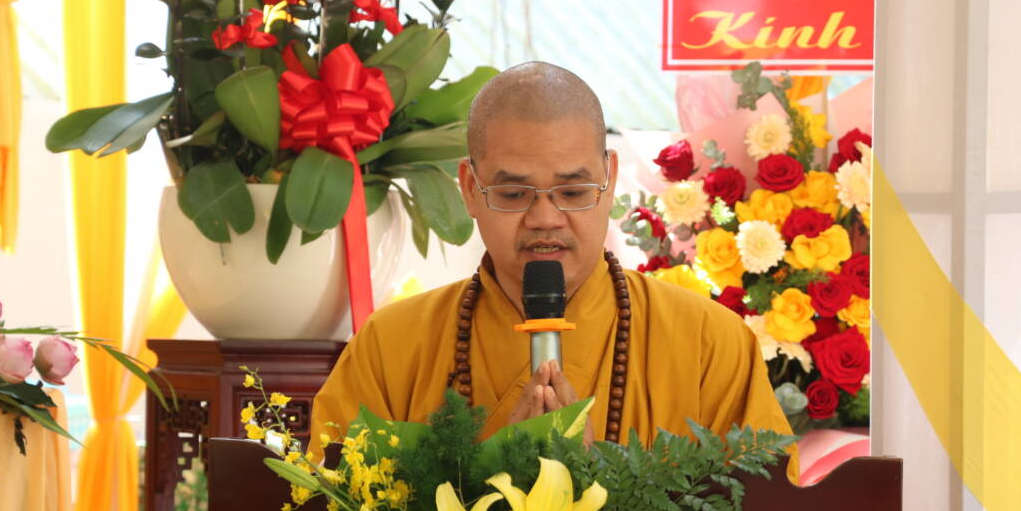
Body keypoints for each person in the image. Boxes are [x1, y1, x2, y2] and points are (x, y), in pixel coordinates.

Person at [309, 61, 793, 464]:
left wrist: (599, 487)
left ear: (610, 181)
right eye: (513, 193)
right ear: (471, 189)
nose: (544, 218)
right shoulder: (391, 346)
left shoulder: (709, 343)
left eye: (573, 192)